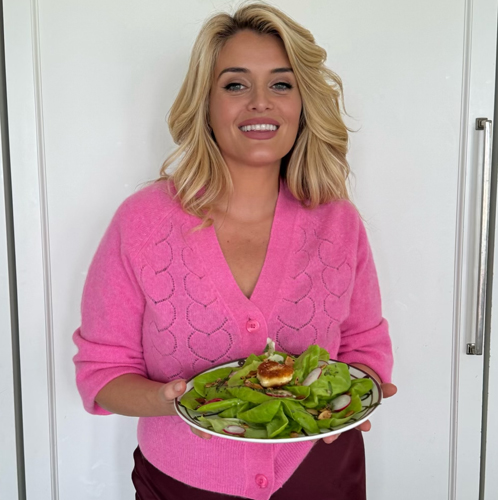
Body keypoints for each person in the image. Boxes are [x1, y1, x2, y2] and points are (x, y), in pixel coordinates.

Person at [72, 2, 396, 499]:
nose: (261, 102)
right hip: (183, 482)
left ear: (303, 103)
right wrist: (170, 400)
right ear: (205, 103)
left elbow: (364, 349)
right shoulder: (142, 223)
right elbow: (102, 371)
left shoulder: (338, 222)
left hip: (323, 475)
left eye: (281, 85)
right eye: (236, 85)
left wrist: (351, 402)